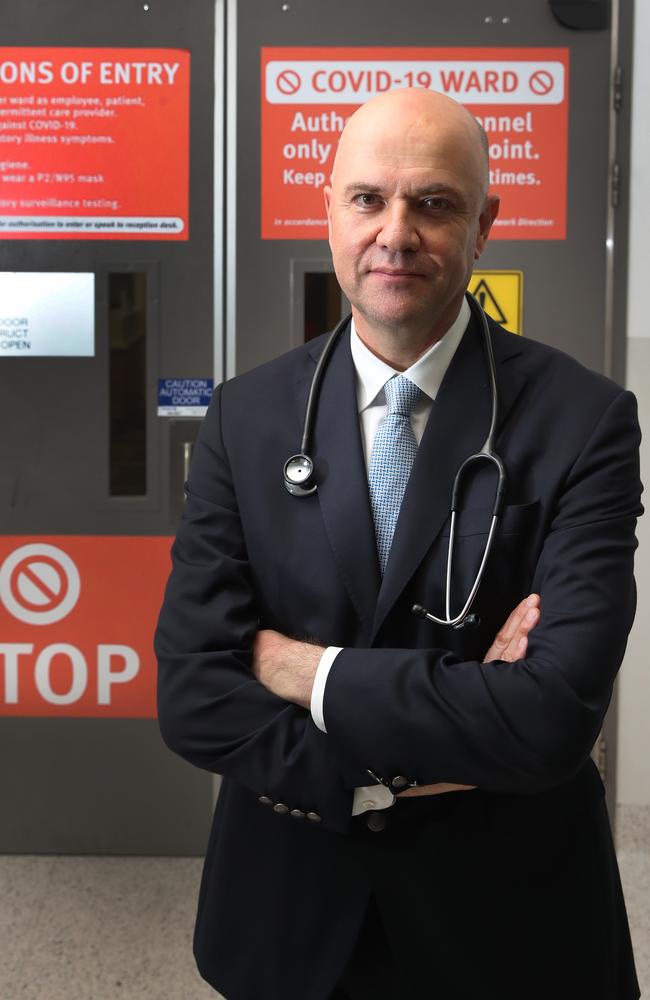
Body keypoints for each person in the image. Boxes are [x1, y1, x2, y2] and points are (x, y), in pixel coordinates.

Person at [155, 88, 642, 1000]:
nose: (396, 232)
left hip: (508, 928)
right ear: (330, 210)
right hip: (290, 914)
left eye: (435, 202)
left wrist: (302, 670)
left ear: (485, 224)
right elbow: (191, 691)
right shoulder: (247, 417)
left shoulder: (584, 423)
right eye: (369, 198)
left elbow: (549, 719)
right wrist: (382, 779)